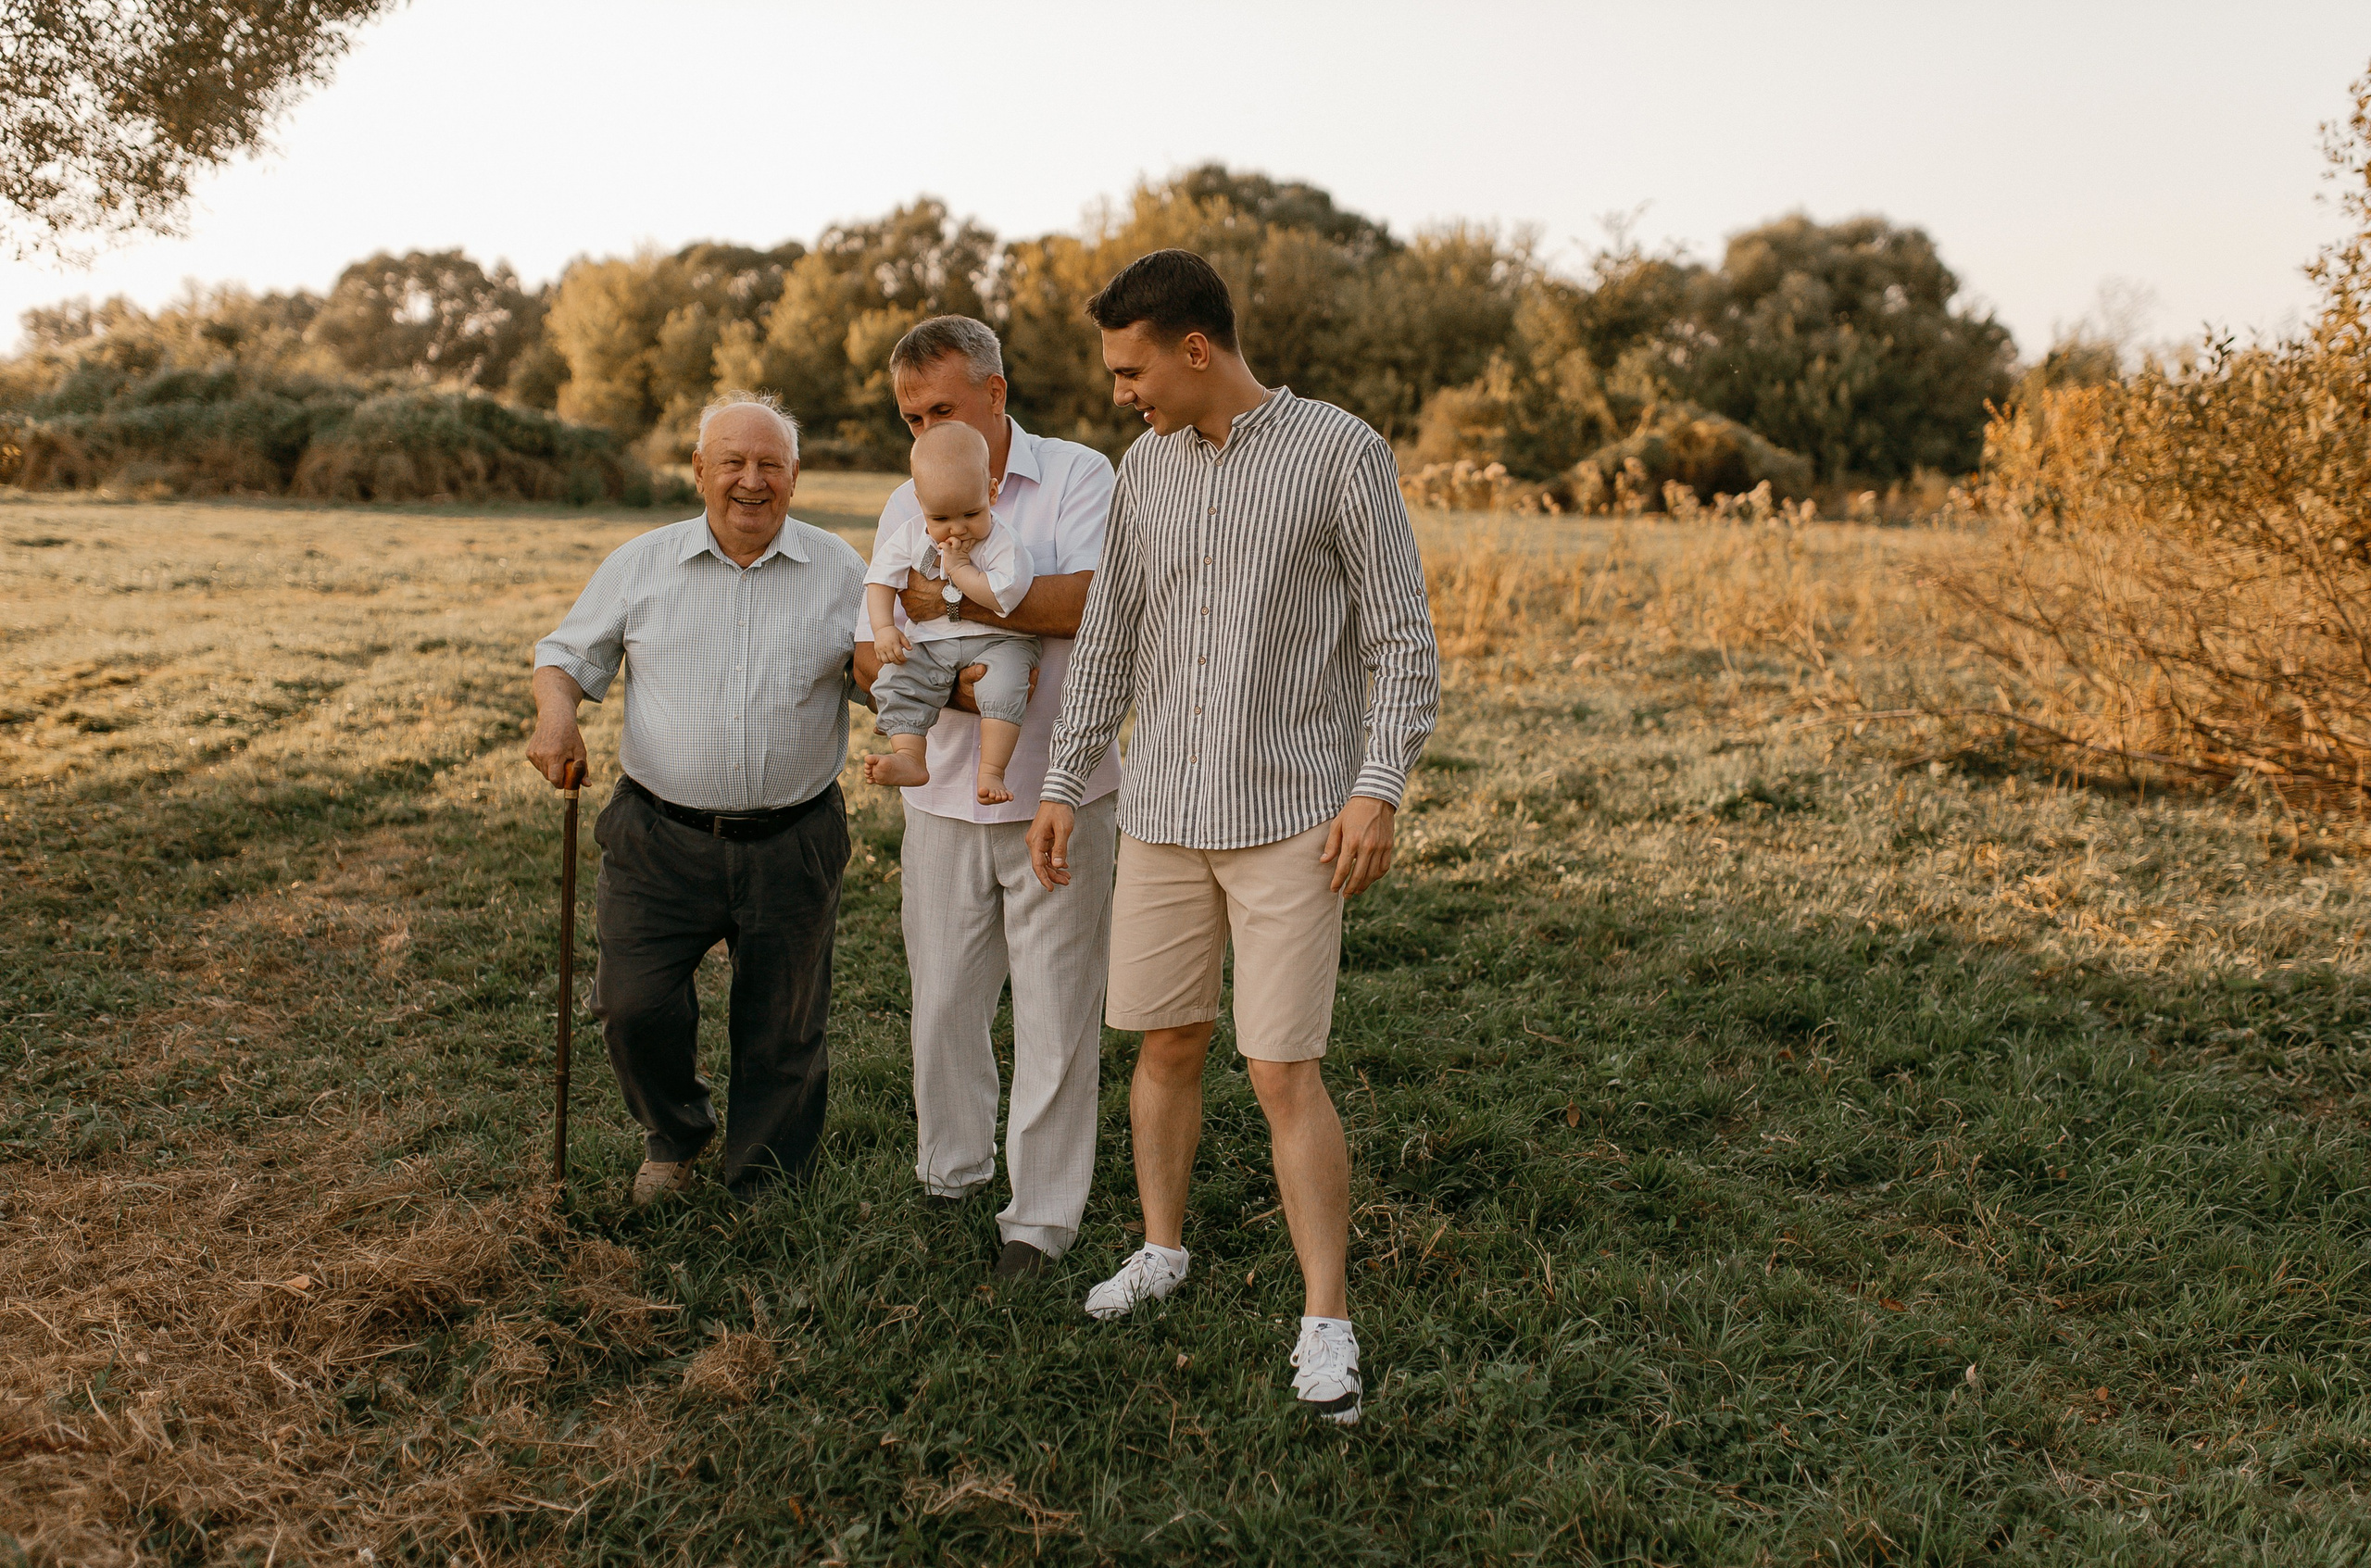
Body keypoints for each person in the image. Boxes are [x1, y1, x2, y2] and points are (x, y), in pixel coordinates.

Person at [1028, 250, 1440, 1424]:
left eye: (1132, 370)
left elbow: (1401, 641)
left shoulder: (1340, 451)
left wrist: (1376, 788)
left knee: (1280, 1069)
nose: (1120, 393)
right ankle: (1161, 1248)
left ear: (1195, 349)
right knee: (1165, 1043)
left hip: (1289, 819)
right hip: (1162, 813)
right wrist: (1063, 777)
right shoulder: (1142, 470)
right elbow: (1110, 638)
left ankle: (1326, 1319)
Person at [527, 392, 866, 1206]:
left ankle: (766, 1179)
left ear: (794, 475)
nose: (752, 480)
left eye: (770, 464)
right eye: (733, 462)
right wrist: (557, 715)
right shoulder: (642, 563)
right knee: (631, 1004)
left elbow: (882, 677)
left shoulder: (842, 569)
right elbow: (566, 656)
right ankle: (676, 1133)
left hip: (794, 837)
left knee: (784, 1022)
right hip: (658, 836)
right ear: (698, 470)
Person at [853, 316, 1124, 1279]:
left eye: (941, 408)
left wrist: (950, 603)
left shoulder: (1078, 476)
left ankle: (1038, 1223)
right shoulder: (906, 498)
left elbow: (1090, 603)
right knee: (942, 1002)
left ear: (996, 393)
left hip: (1063, 788)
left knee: (1056, 1012)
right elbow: (868, 650)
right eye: (910, 416)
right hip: (940, 798)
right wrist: (961, 683)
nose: (924, 429)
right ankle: (951, 1174)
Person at [862, 421, 1041, 806]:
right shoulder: (911, 534)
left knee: (1004, 683)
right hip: (932, 643)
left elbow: (1004, 596)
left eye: (971, 513)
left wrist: (960, 571)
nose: (956, 529)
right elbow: (880, 578)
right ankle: (910, 756)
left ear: (991, 492)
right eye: (941, 519)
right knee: (900, 677)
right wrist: (883, 628)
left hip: (999, 641)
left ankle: (992, 770)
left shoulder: (1002, 540)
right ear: (920, 503)